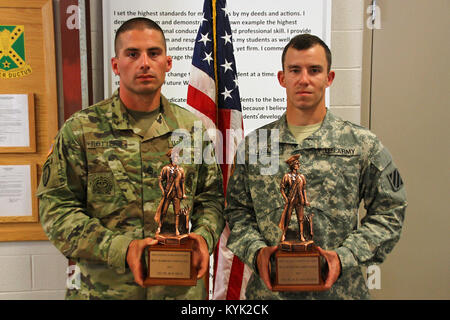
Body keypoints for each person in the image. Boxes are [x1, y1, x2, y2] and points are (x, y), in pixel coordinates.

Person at [37, 17, 225, 300]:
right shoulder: (81, 130)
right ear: (116, 65)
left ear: (168, 63)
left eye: (154, 53)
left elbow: (211, 199)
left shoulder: (192, 130)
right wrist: (121, 249)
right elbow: (56, 210)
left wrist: (203, 237)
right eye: (133, 54)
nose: (145, 63)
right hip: (106, 291)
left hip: (179, 292)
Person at [224, 34, 407, 299]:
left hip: (340, 292)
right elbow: (237, 211)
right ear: (282, 78)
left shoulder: (361, 144)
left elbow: (390, 209)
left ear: (329, 78)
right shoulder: (256, 145)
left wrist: (344, 257)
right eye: (295, 70)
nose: (304, 79)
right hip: (270, 294)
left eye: (314, 70)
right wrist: (257, 252)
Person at [279, 154, 310, 242]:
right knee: (287, 218)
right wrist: (285, 199)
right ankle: (284, 234)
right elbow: (282, 188)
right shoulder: (286, 176)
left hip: (299, 200)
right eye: (296, 163)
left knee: (300, 219)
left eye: (298, 163)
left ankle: (301, 235)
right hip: (291, 200)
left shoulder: (301, 177)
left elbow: (304, 189)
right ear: (292, 165)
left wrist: (306, 200)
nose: (298, 165)